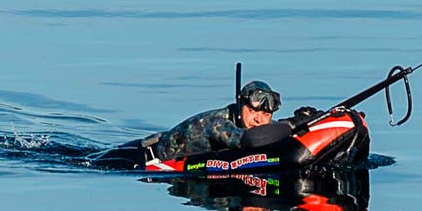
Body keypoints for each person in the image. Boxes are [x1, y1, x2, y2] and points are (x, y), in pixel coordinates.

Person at [92, 80, 285, 168]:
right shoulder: (216, 123)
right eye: (252, 111)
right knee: (86, 162)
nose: (259, 120)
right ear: (239, 105)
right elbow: (247, 140)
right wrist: (294, 124)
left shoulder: (257, 126)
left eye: (266, 114)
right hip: (136, 158)